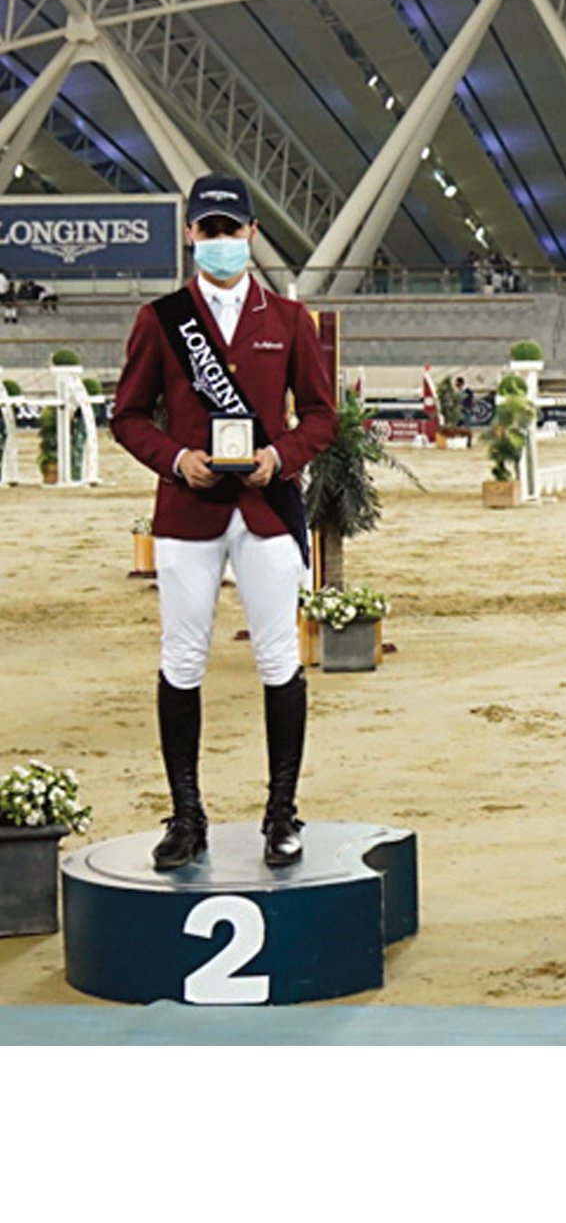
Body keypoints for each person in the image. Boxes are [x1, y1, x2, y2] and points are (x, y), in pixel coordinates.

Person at [109, 174, 338, 871]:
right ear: (190, 235)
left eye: (228, 230)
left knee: (278, 659)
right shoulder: (161, 318)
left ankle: (281, 815)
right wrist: (176, 458)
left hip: (267, 512)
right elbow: (125, 415)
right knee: (182, 661)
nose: (218, 242)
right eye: (206, 230)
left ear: (251, 235)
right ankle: (186, 816)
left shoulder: (292, 321)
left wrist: (282, 455)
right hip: (187, 513)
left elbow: (322, 416)